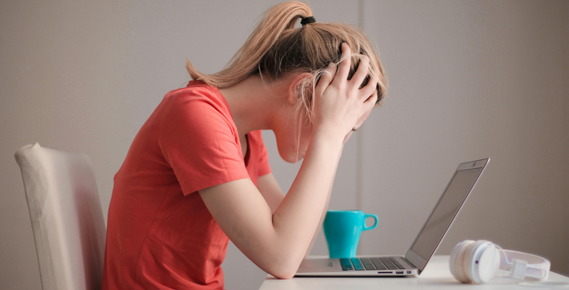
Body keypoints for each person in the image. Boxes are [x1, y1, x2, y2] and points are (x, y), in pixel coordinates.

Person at [102, 1, 388, 289]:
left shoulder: (248, 137)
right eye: (337, 119)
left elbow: (298, 242)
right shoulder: (194, 115)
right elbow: (282, 258)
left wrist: (334, 139)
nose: (338, 133)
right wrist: (329, 135)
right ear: (301, 89)